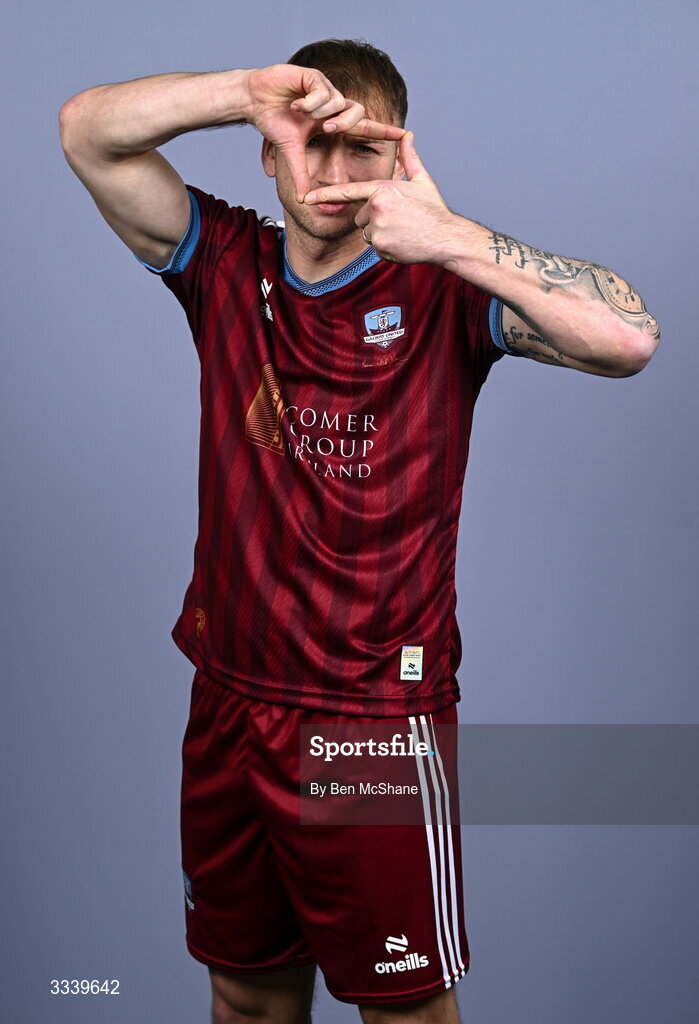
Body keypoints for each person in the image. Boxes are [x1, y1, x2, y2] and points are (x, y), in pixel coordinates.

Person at [58, 38, 660, 1024]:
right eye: (308, 143)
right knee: (246, 1000)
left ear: (399, 160)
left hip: (370, 722)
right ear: (266, 151)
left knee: (406, 1013)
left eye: (360, 149)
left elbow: (631, 338)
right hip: (230, 697)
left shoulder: (446, 289)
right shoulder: (225, 263)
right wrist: (246, 92)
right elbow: (85, 132)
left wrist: (452, 234)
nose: (332, 174)